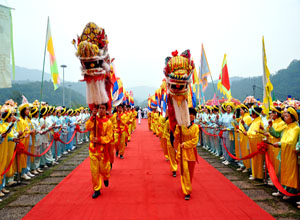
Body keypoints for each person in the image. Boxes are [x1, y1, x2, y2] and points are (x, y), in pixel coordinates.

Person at [86, 104, 113, 199]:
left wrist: (100, 140)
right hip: (93, 149)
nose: (101, 110)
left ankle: (106, 177)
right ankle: (97, 189)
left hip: (103, 151)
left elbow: (109, 137)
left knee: (104, 169)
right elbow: (87, 127)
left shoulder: (108, 122)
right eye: (100, 108)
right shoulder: (94, 119)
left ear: (106, 110)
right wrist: (92, 116)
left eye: (103, 108)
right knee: (94, 171)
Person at [175, 107, 199, 200]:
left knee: (190, 172)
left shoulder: (196, 127)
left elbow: (195, 141)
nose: (191, 116)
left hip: (191, 152)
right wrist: (177, 127)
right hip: (182, 152)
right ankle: (187, 191)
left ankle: (187, 184)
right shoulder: (181, 126)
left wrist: (185, 144)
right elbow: (176, 136)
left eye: (193, 114)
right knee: (184, 170)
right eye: (189, 114)